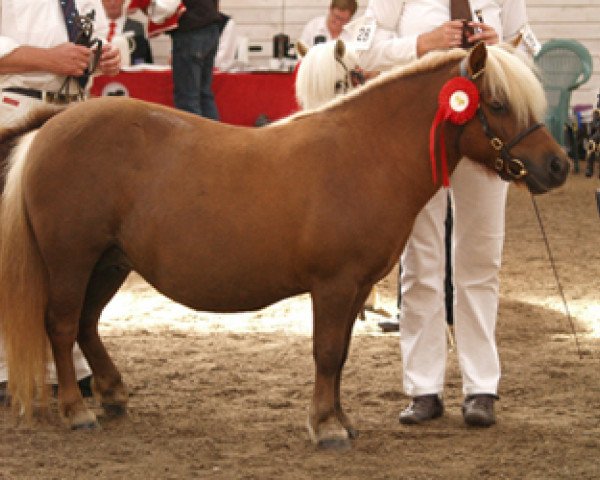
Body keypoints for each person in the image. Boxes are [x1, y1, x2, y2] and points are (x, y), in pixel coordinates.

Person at [358, 0, 533, 427]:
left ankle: (481, 388)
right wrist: (420, 43)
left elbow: (530, 48)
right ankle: (423, 389)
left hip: (485, 137)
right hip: (420, 137)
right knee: (420, 263)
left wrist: (503, 50)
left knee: (480, 261)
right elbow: (362, 49)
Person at [0, 0, 121, 404]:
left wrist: (110, 56)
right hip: (17, 107)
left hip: (74, 115)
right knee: (11, 242)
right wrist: (47, 58)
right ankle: (4, 362)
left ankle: (64, 361)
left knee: (71, 245)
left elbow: (101, 34)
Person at [102, 0, 154, 65]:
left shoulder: (136, 27)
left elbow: (141, 58)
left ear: (123, 1)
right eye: (107, 0)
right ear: (101, 2)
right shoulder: (94, 28)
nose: (113, 2)